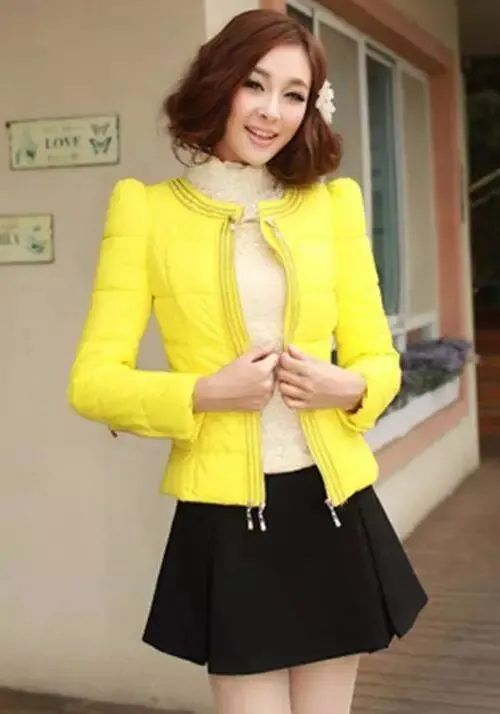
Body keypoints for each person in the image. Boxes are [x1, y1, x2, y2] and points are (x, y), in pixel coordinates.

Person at [68, 9, 427, 714]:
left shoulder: (333, 207)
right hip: (229, 513)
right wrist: (203, 392)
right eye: (255, 85)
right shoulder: (146, 212)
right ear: (219, 84)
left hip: (330, 502)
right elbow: (93, 382)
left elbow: (378, 360)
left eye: (294, 94)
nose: (271, 112)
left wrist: (349, 386)